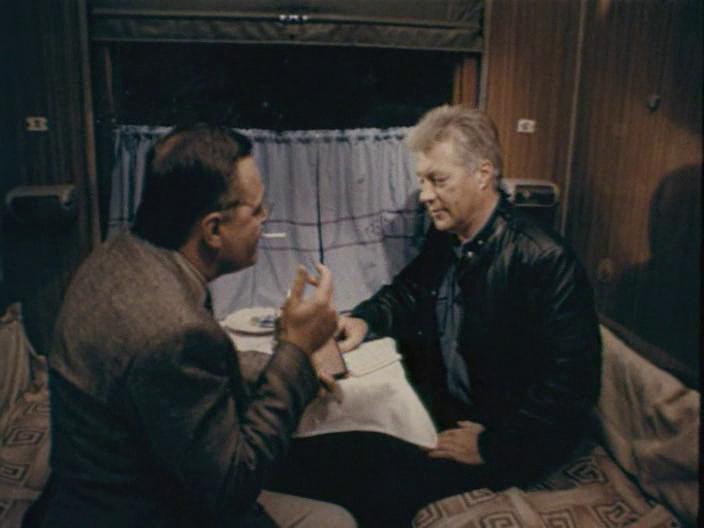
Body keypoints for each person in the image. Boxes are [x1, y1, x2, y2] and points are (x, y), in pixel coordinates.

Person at [36, 124, 356, 527]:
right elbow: (234, 485)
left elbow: (190, 376)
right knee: (337, 519)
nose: (264, 219)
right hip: (136, 514)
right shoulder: (173, 332)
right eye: (257, 210)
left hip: (103, 492)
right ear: (213, 230)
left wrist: (288, 364)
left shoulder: (120, 253)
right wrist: (296, 348)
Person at [337, 105, 602, 487]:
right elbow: (409, 291)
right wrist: (364, 320)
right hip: (449, 410)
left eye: (438, 180)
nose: (425, 196)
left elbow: (572, 385)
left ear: (483, 175)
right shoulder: (447, 236)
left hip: (504, 435)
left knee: (371, 483)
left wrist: (494, 446)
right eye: (422, 181)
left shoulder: (543, 258)